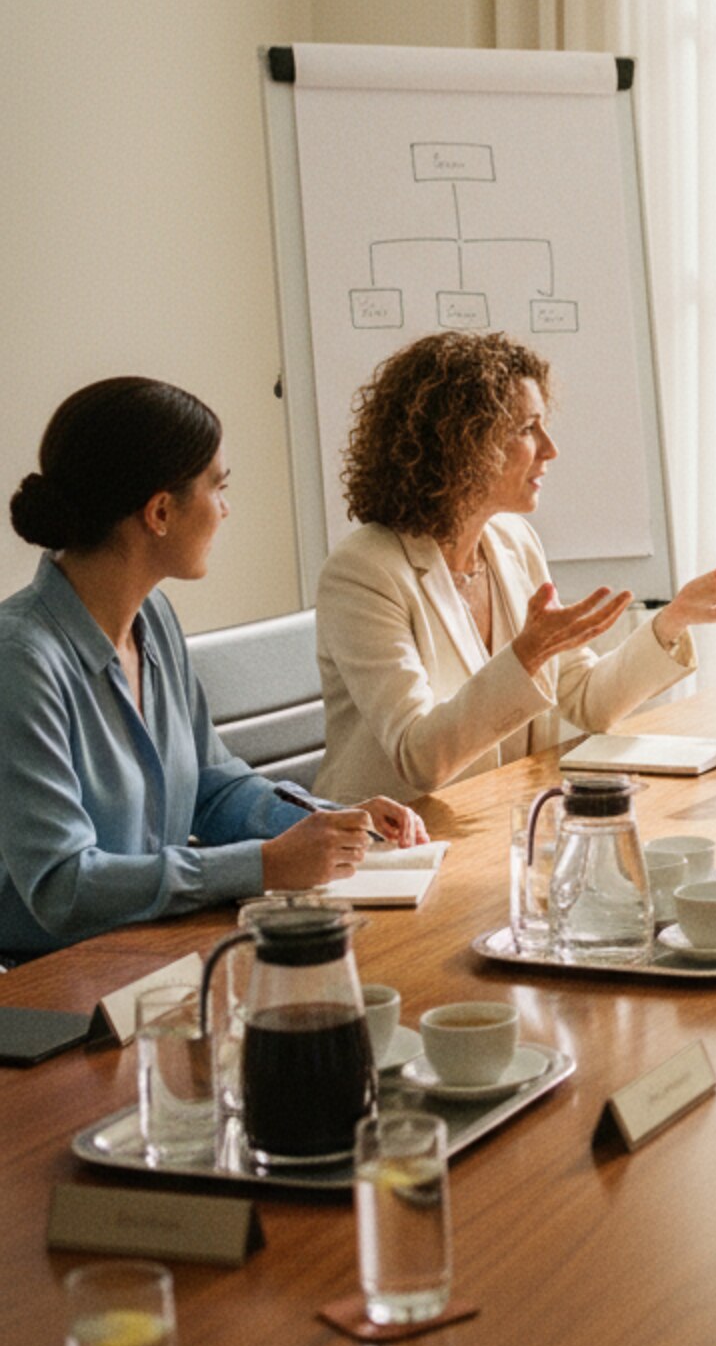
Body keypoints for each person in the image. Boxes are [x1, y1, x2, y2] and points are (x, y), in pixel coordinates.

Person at [0, 379, 425, 964]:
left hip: (159, 959)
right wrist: (262, 866)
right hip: (52, 990)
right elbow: (62, 886)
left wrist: (328, 822)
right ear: (160, 511)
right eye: (218, 487)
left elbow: (211, 786)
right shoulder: (20, 659)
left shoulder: (154, 618)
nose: (226, 508)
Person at [316, 332, 716, 804]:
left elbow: (587, 700)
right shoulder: (364, 572)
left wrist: (673, 620)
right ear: (462, 445)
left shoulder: (513, 543)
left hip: (500, 821)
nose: (550, 448)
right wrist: (525, 657)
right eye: (528, 428)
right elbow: (420, 758)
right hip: (391, 851)